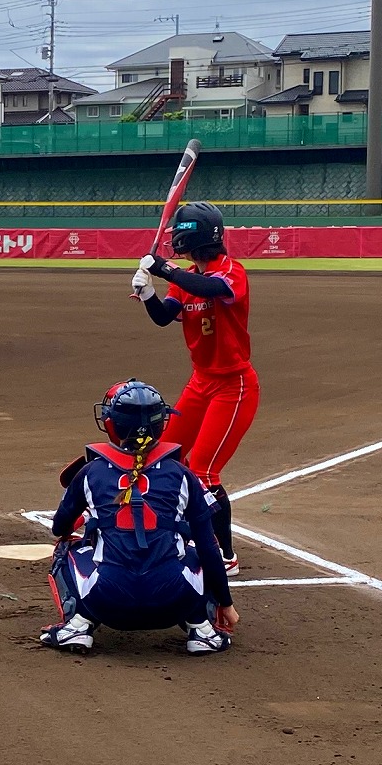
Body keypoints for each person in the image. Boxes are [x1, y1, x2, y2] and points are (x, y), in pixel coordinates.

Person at [39, 379, 238, 655]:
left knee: (66, 548)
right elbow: (209, 547)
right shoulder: (183, 474)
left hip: (107, 603)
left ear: (112, 424)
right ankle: (202, 629)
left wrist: (91, 518)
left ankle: (78, 625)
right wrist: (226, 603)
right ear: (161, 424)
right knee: (200, 547)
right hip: (174, 602)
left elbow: (59, 527)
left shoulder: (90, 472)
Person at [132, 201, 259, 578]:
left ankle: (225, 555)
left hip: (233, 386)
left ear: (193, 237)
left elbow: (212, 288)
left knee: (203, 471)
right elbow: (163, 317)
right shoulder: (184, 278)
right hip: (201, 382)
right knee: (165, 457)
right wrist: (147, 294)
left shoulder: (231, 272)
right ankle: (170, 531)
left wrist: (163, 269)